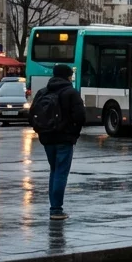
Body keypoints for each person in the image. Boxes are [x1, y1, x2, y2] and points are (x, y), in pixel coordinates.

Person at [31, 63, 87, 221]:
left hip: (47, 138)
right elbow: (81, 117)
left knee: (54, 171)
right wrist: (73, 132)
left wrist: (41, 130)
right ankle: (56, 209)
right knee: (61, 173)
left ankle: (54, 207)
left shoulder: (43, 92)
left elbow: (32, 114)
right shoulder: (71, 93)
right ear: (68, 76)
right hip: (65, 138)